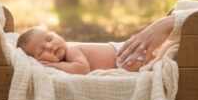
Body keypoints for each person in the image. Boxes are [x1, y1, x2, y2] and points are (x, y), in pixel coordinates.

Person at [16, 15, 175, 75]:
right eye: (41, 50)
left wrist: (55, 66)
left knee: (155, 60)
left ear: (57, 34)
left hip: (124, 54)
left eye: (49, 38)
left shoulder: (72, 49)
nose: (50, 46)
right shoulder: (66, 57)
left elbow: (81, 68)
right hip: (121, 58)